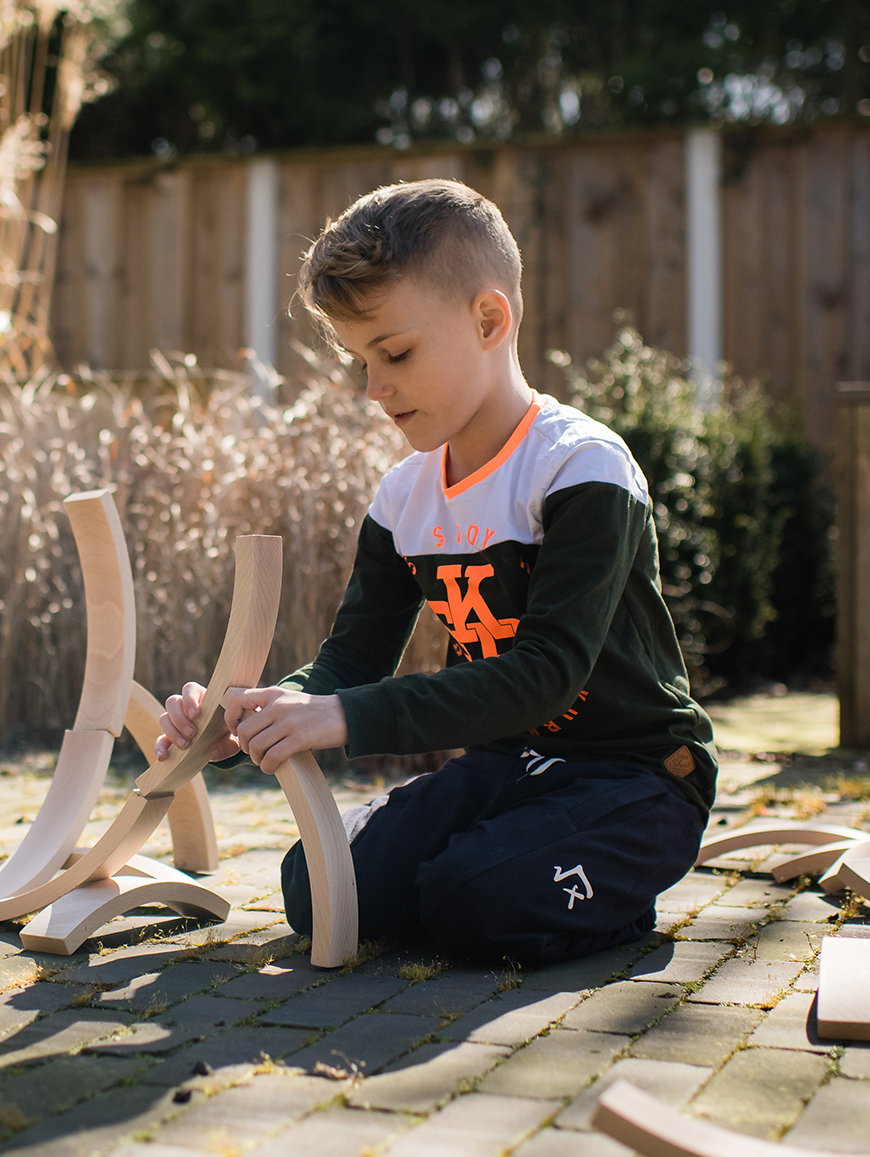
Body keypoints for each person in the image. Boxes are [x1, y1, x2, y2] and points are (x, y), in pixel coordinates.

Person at [155, 178, 716, 967]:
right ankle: (495, 869)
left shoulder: (580, 469)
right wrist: (250, 711)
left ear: (489, 319)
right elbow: (350, 662)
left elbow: (546, 674)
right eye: (359, 360)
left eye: (395, 353)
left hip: (637, 775)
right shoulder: (403, 497)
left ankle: (604, 896)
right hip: (504, 763)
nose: (373, 388)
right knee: (314, 892)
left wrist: (346, 716)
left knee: (471, 900)